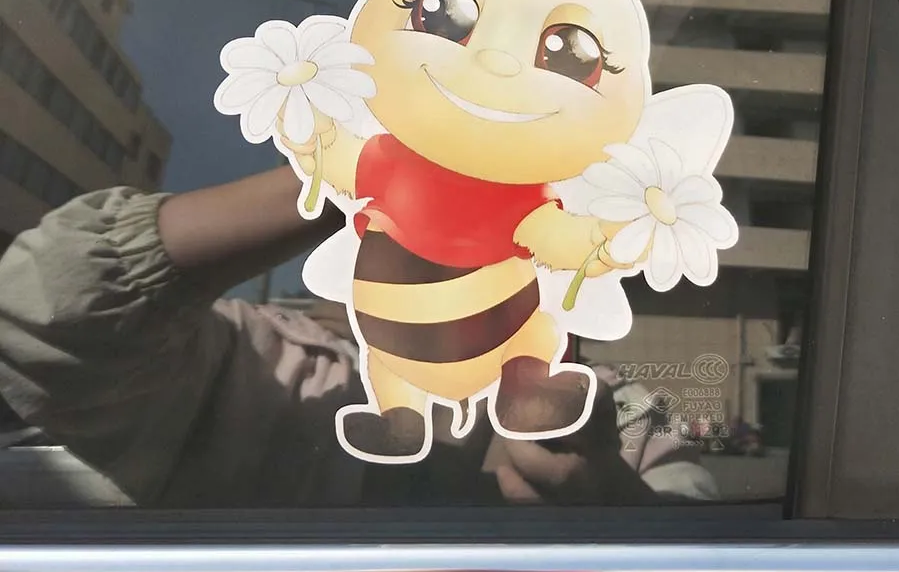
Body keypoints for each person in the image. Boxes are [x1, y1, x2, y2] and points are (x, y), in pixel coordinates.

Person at [0, 166, 717, 507]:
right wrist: (365, 165)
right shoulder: (256, 365)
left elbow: (703, 527)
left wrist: (609, 503)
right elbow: (40, 308)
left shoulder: (625, 416)